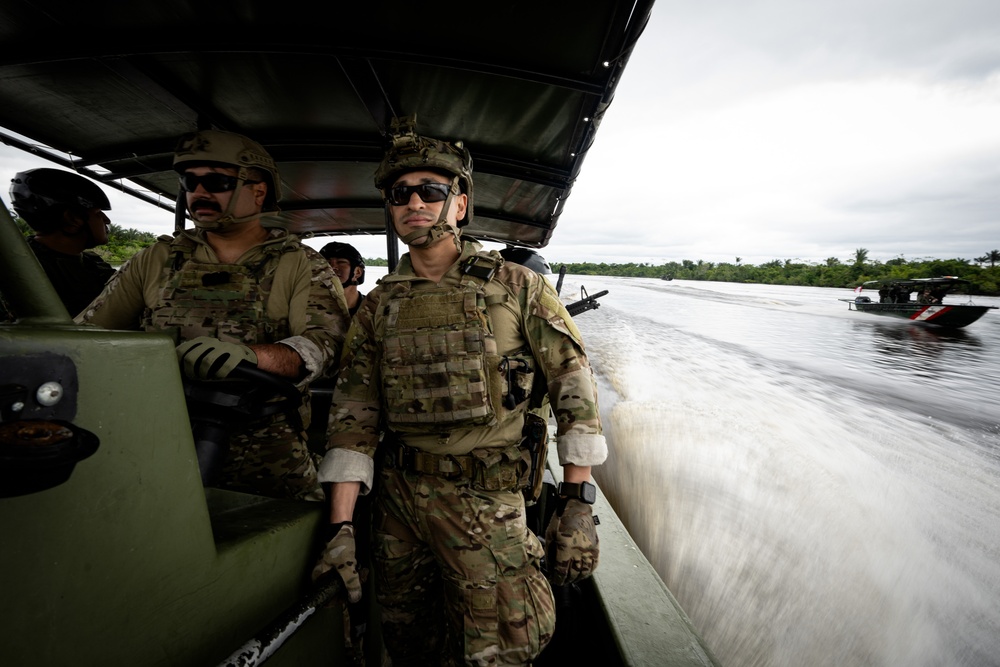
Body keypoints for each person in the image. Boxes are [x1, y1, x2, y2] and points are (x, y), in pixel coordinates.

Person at [312, 119, 606, 666]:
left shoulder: (516, 287)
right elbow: (354, 415)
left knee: (496, 651)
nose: (415, 202)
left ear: (460, 203)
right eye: (401, 194)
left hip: (488, 503)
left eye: (432, 191)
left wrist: (578, 504)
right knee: (406, 644)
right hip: (399, 505)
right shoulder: (378, 306)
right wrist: (343, 527)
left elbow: (574, 388)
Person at [76, 129, 351, 501]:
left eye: (217, 182)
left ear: (259, 191)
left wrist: (256, 357)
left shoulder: (299, 263)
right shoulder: (156, 259)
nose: (199, 193)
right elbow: (86, 338)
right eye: (191, 182)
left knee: (308, 528)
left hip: (264, 442)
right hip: (152, 432)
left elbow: (326, 344)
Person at [8, 168, 116, 316]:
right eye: (97, 213)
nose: (106, 220)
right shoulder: (24, 269)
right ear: (73, 219)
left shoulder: (93, 262)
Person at [319, 241, 366, 315]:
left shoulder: (374, 308)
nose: (332, 267)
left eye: (341, 262)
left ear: (358, 272)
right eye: (327, 263)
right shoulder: (309, 307)